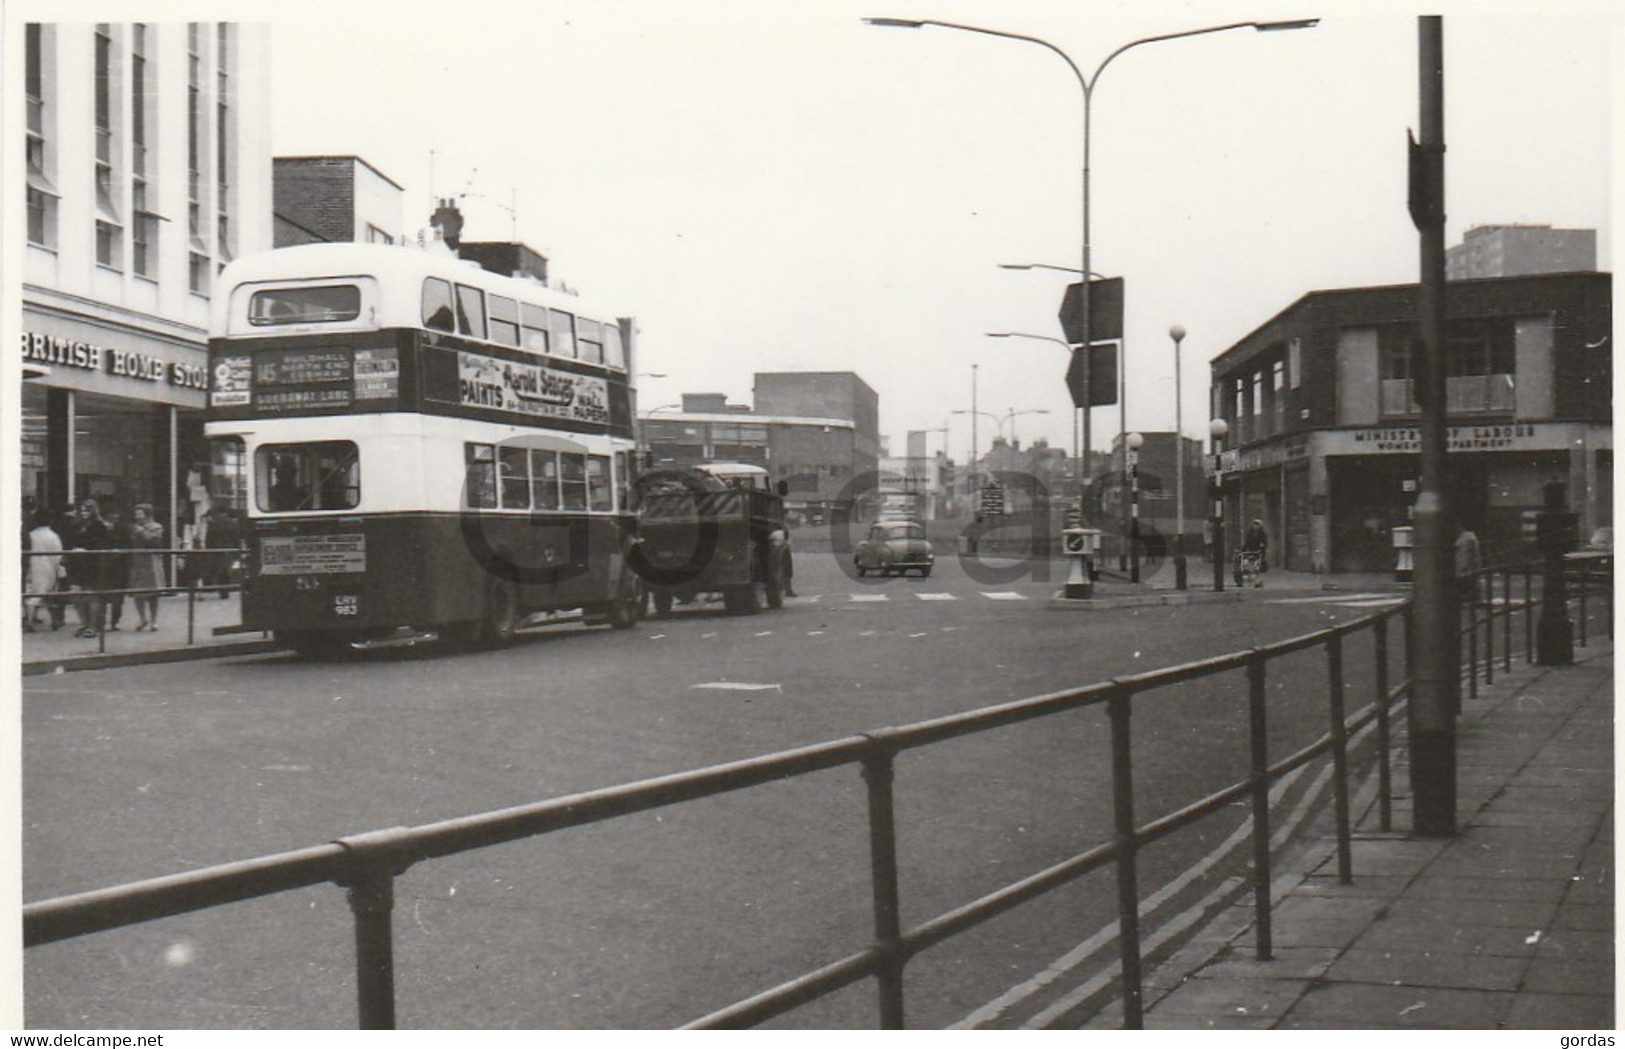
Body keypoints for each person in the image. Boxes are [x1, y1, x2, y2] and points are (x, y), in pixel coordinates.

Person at [69, 498, 112, 637]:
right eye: (82, 510)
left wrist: (86, 549)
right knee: (77, 596)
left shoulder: (99, 525)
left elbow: (101, 545)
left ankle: (93, 626)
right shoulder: (76, 525)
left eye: (87, 510)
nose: (84, 513)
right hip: (78, 563)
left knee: (91, 595)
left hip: (93, 563)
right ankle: (84, 622)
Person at [127, 503, 166, 631]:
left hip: (150, 562)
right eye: (136, 514)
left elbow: (154, 541)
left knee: (152, 593)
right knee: (138, 593)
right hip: (137, 561)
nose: (137, 517)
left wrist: (142, 532)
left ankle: (154, 620)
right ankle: (142, 618)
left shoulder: (156, 527)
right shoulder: (134, 527)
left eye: (140, 514)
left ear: (147, 515)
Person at [25, 509, 64, 631]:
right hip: (49, 568)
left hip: (33, 567)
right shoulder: (53, 536)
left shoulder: (31, 535)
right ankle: (55, 620)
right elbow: (58, 554)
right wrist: (58, 568)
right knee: (50, 594)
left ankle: (29, 620)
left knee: (32, 594)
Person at [1236, 518, 1269, 587]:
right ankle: (1249, 580)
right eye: (1254, 524)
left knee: (1256, 567)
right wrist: (1243, 549)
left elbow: (1265, 543)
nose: (1255, 526)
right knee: (1248, 566)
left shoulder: (1262, 534)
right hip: (1250, 551)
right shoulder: (1249, 533)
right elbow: (1247, 541)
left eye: (1257, 525)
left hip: (1258, 551)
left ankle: (1257, 581)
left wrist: (1262, 546)